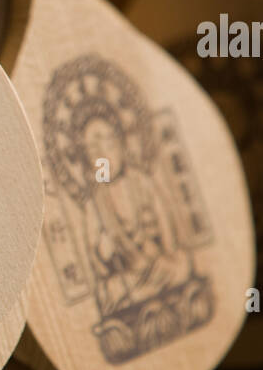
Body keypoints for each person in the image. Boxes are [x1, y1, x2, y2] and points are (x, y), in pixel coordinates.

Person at [76, 102, 193, 315]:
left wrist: (166, 252)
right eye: (94, 150)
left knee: (181, 266)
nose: (103, 155)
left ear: (122, 145)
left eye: (109, 144)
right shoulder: (94, 202)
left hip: (158, 263)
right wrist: (104, 250)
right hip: (128, 277)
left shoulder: (141, 181)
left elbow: (165, 222)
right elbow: (94, 254)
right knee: (110, 292)